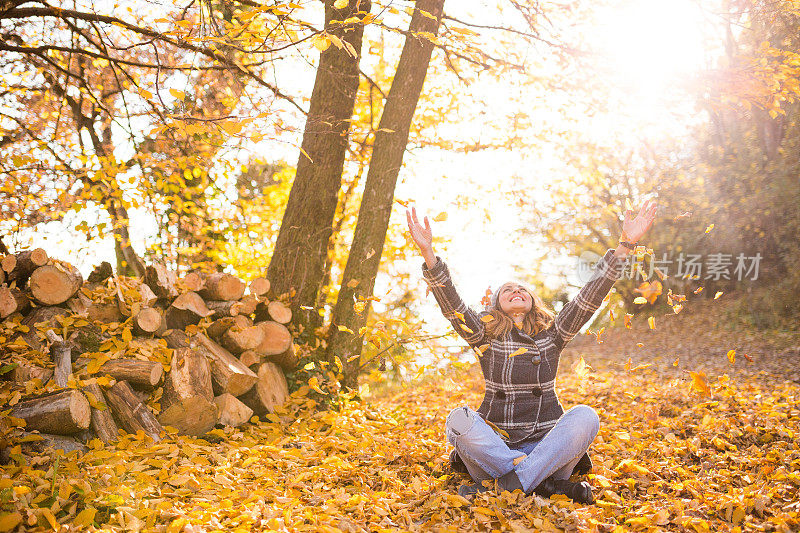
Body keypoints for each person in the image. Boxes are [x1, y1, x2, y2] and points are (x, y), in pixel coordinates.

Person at [406, 200, 657, 502]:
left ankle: (511, 484)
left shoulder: (553, 334)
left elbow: (589, 297)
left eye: (522, 289)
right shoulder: (484, 335)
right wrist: (428, 254)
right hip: (497, 449)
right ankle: (544, 484)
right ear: (496, 305)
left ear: (532, 302)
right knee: (457, 420)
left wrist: (625, 245)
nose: (516, 291)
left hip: (547, 448)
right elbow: (453, 306)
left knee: (586, 416)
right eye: (507, 290)